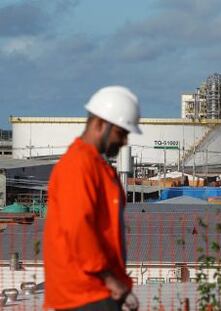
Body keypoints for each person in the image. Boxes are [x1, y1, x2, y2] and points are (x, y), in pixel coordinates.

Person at [44, 86, 141, 311]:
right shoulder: (77, 166)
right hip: (83, 294)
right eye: (121, 132)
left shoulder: (95, 166)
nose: (125, 141)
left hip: (96, 292)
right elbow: (78, 229)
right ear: (100, 124)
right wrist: (110, 279)